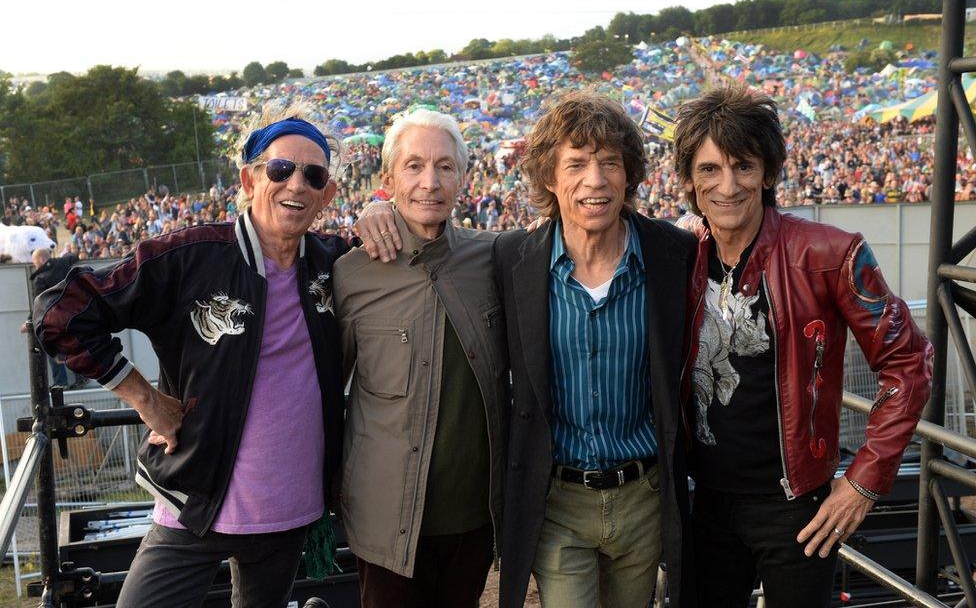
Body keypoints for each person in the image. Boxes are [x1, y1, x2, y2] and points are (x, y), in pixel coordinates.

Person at [34, 102, 347, 608]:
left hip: (292, 512)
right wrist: (144, 398)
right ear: (249, 180)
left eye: (313, 175)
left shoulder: (336, 260)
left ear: (327, 194)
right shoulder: (191, 255)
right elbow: (62, 313)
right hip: (196, 504)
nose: (296, 185)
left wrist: (382, 214)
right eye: (280, 169)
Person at [673, 85, 932, 608]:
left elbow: (908, 361)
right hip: (700, 502)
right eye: (709, 170)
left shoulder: (829, 253)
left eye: (743, 166)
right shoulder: (678, 256)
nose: (728, 186)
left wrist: (862, 481)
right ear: (688, 180)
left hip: (796, 506)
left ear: (768, 173)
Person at [493, 91, 697, 608]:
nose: (596, 180)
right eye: (577, 164)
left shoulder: (674, 254)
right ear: (548, 176)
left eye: (611, 163)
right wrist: (380, 215)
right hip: (559, 500)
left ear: (629, 174)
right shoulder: (512, 259)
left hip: (643, 498)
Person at [333, 109, 507, 607]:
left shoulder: (496, 258)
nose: (430, 182)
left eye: (445, 167)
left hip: (474, 522)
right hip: (384, 522)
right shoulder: (350, 273)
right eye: (413, 166)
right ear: (387, 180)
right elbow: (324, 390)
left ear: (464, 178)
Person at [22, 247, 78, 388]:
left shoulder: (40, 279)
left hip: (54, 319)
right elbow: (73, 257)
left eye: (34, 261)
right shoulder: (63, 262)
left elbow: (38, 304)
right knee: (74, 346)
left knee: (52, 348)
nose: (34, 265)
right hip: (73, 314)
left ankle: (61, 382)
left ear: (41, 259)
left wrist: (29, 322)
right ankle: (81, 377)